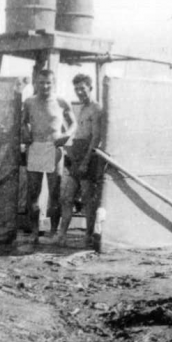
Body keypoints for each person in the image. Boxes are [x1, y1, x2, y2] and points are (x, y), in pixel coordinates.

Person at [21, 69, 76, 241]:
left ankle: (53, 232)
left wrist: (67, 135)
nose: (45, 86)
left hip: (54, 148)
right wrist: (25, 133)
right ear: (35, 83)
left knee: (55, 194)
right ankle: (35, 233)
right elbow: (23, 122)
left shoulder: (61, 102)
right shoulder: (29, 102)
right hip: (36, 147)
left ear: (54, 83)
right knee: (33, 194)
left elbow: (73, 123)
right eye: (41, 82)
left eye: (48, 83)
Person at [54, 73, 104, 246]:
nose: (79, 92)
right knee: (66, 197)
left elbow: (96, 137)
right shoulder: (82, 108)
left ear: (90, 88)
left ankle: (88, 236)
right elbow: (78, 133)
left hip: (89, 156)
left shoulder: (96, 109)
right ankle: (61, 235)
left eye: (82, 88)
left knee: (88, 198)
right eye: (76, 89)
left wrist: (86, 161)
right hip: (76, 154)